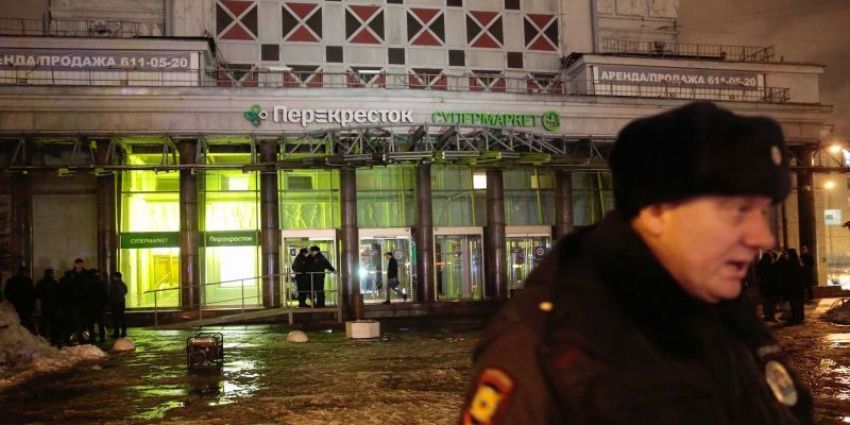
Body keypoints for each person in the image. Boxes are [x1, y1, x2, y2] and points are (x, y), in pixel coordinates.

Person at [461, 102, 813, 424]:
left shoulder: (724, 311)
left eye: (763, 211)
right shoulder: (544, 347)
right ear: (657, 212)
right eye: (738, 212)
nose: (763, 237)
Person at [3, 266, 36, 333]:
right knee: (25, 325)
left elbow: (7, 293)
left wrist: (13, 300)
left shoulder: (11, 280)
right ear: (24, 272)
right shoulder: (28, 281)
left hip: (15, 306)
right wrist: (32, 307)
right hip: (26, 307)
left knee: (16, 324)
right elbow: (33, 295)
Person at [778, 249, 806, 325]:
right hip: (799, 287)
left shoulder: (791, 264)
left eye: (787, 254)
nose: (787, 256)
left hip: (794, 288)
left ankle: (796, 318)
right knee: (799, 303)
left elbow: (788, 276)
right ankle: (800, 317)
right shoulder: (798, 263)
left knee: (795, 303)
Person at [35, 268, 61, 345]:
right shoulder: (54, 283)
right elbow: (59, 295)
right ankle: (54, 340)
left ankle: (43, 340)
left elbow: (37, 294)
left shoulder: (41, 283)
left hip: (45, 306)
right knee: (54, 325)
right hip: (53, 307)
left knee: (44, 324)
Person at [81, 268, 108, 343]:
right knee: (100, 323)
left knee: (90, 323)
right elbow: (105, 295)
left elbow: (84, 295)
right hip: (99, 306)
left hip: (90, 307)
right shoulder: (100, 282)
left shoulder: (86, 283)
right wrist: (105, 304)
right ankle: (102, 338)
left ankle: (92, 338)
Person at [757, 250, 780, 322]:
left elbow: (758, 274)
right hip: (771, 285)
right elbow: (776, 274)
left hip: (763, 285)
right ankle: (771, 316)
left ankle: (766, 315)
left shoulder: (760, 264)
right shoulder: (771, 265)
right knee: (771, 301)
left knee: (765, 301)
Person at [109, 271, 128, 338]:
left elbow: (120, 293)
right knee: (120, 318)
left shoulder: (116, 284)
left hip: (117, 303)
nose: (113, 277)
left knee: (117, 318)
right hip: (119, 303)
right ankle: (121, 332)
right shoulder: (121, 284)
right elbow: (125, 291)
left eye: (114, 276)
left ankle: (119, 333)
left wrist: (114, 298)